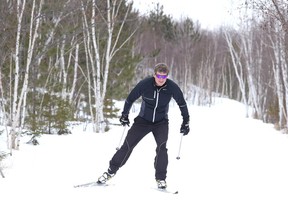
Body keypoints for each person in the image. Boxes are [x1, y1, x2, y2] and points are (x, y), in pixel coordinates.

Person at [97, 63, 190, 189]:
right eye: (159, 76)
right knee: (127, 146)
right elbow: (130, 99)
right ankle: (110, 172)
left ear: (167, 77)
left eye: (164, 77)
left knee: (162, 149)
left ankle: (161, 179)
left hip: (161, 122)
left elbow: (182, 104)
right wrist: (124, 115)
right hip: (142, 121)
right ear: (154, 75)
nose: (161, 79)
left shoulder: (172, 87)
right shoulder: (145, 84)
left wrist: (186, 122)